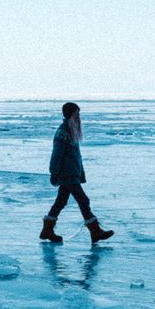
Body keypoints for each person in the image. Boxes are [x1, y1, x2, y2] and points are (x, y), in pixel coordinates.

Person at [42, 101, 113, 243]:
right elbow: (57, 155)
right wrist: (54, 173)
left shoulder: (70, 131)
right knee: (82, 199)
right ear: (70, 114)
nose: (79, 117)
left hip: (71, 174)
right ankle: (95, 231)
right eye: (76, 114)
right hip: (66, 175)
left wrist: (80, 173)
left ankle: (47, 230)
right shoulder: (63, 132)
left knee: (61, 201)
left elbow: (74, 157)